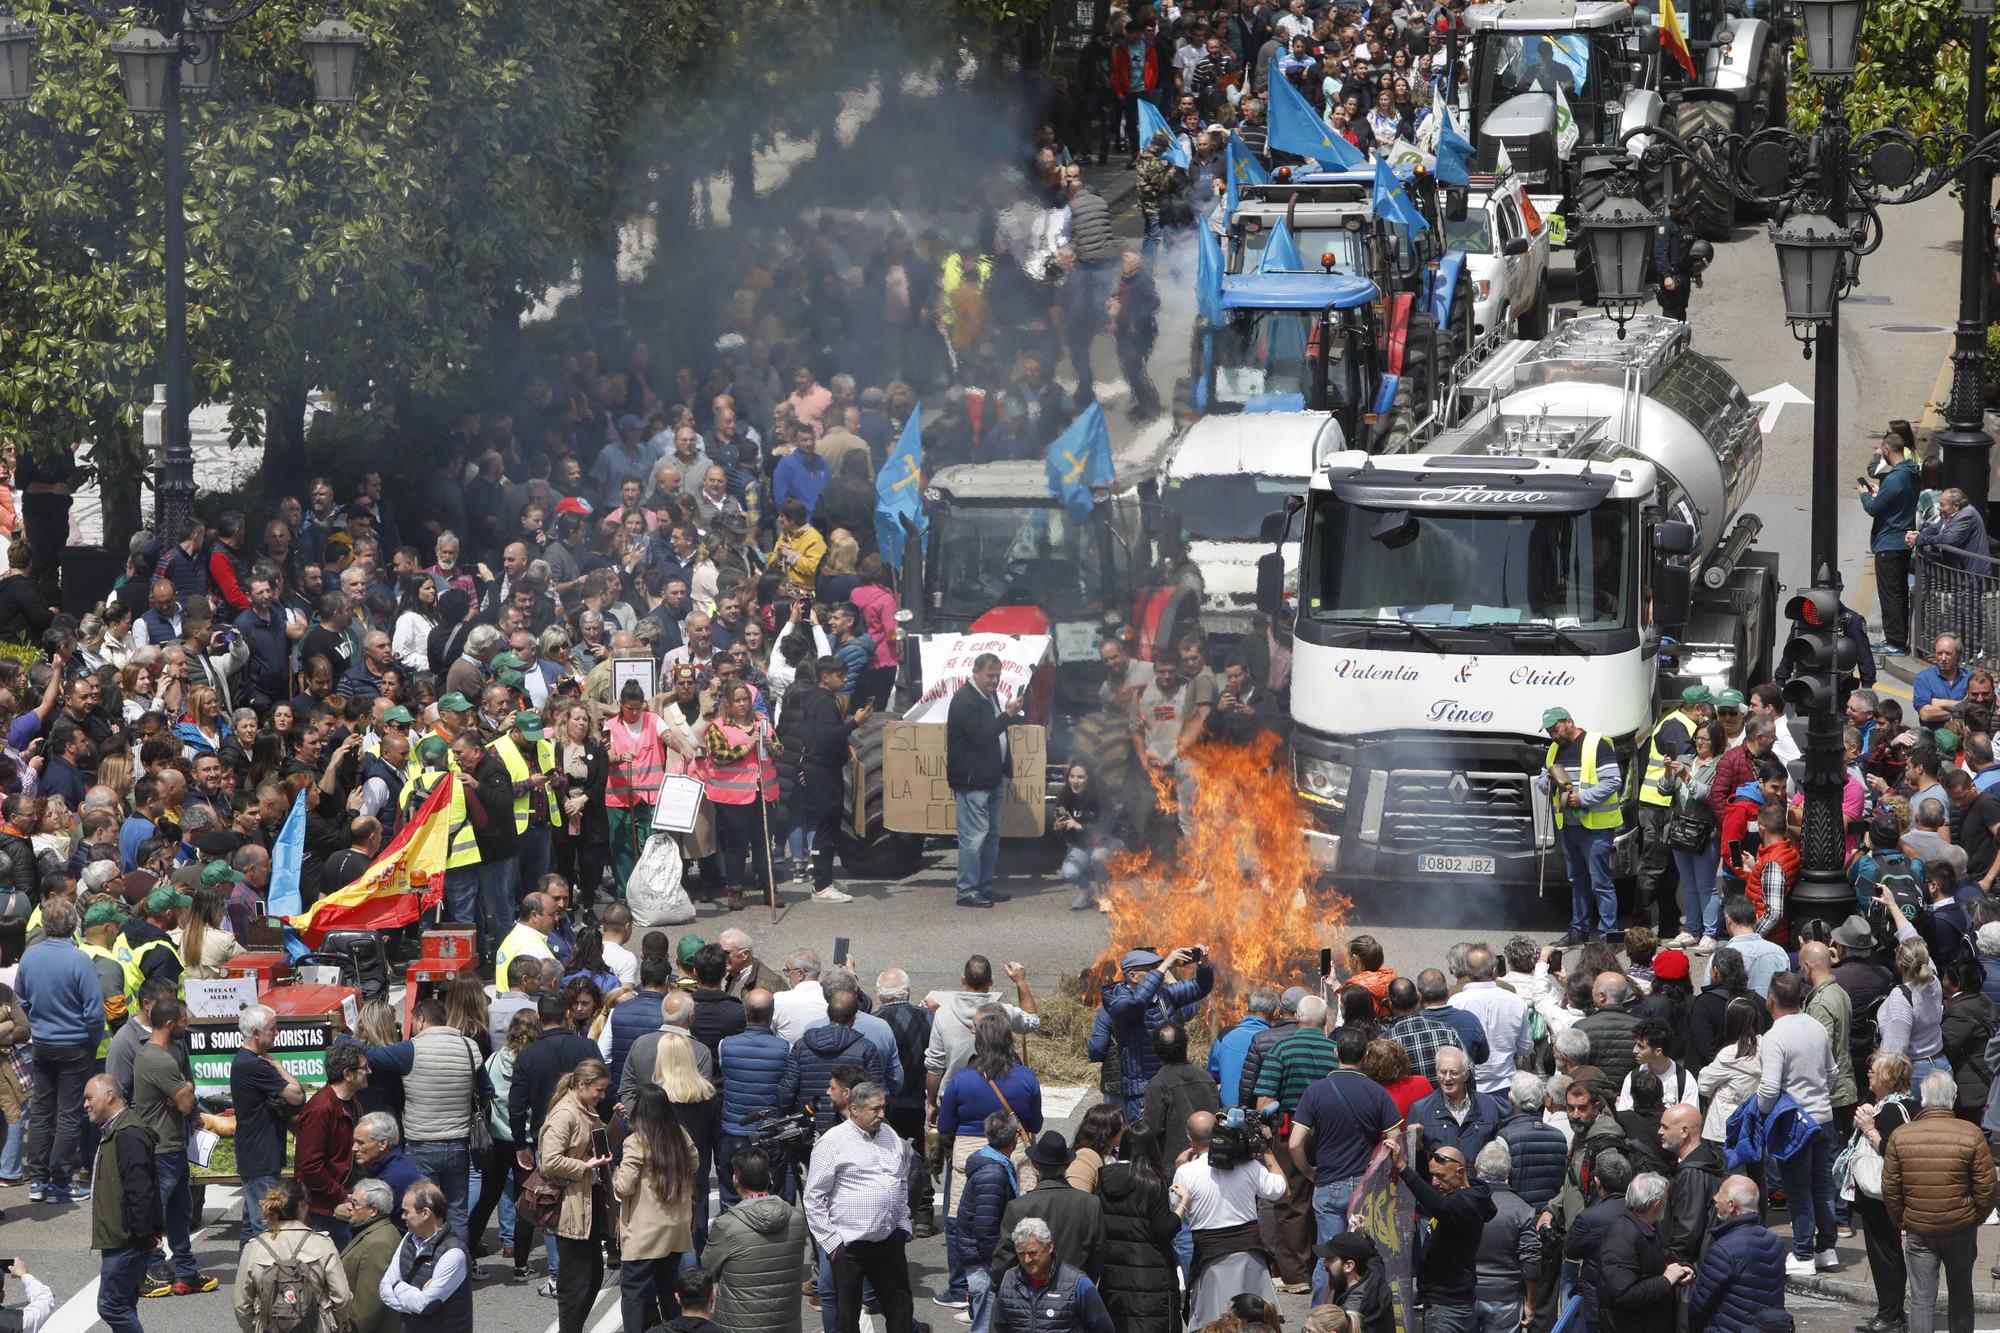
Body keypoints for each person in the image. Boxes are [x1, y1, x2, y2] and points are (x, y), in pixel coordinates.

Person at [1288, 1027, 1402, 1302]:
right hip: (1367, 1188)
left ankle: (1321, 1318)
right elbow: (1395, 1139)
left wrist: (1308, 1172)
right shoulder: (1377, 1093)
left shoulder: (1315, 1092)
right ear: (1365, 1055)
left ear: (1335, 1053)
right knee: (1366, 1257)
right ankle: (1360, 1314)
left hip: (1328, 1184)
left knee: (1328, 1256)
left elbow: (1294, 1143)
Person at [1883, 1069, 1998, 1333]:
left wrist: (1903, 1219)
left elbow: (1891, 1188)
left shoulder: (1902, 1136)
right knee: (1961, 1294)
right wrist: (1974, 1216)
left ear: (1922, 1097)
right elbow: (1987, 1186)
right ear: (1954, 1097)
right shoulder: (1971, 1134)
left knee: (1922, 1299)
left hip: (1919, 1229)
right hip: (1960, 1227)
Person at [803, 1080, 917, 1333]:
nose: (882, 1115)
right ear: (854, 1109)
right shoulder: (832, 1142)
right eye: (875, 1109)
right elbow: (813, 1197)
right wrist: (832, 1245)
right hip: (849, 1247)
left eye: (883, 1108)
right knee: (847, 1318)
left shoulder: (890, 1136)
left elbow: (900, 1183)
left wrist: (903, 1225)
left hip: (889, 1243)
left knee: (901, 1311)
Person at [15, 896, 104, 1206]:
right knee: (68, 1114)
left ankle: (38, 1180)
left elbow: (21, 1000)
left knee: (41, 1111)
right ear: (73, 925)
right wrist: (92, 1040)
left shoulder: (29, 956)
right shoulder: (79, 960)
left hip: (41, 1043)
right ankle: (61, 1182)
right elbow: (94, 1010)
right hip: (76, 1044)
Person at [1756, 971, 1839, 1278]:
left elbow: (1768, 1088)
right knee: (1822, 1185)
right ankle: (1825, 1248)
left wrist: (1765, 1113)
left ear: (1771, 999)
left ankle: (1804, 1252)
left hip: (1795, 1123)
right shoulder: (1816, 1027)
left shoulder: (1775, 1036)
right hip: (1823, 1118)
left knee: (1798, 1189)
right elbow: (1832, 1072)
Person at [1170, 1109, 1286, 1326]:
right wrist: (1267, 1151)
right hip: (1251, 1257)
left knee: (1216, 1324)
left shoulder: (1186, 1172)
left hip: (1211, 1261)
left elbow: (1176, 1208)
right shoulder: (1248, 1164)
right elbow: (1279, 1189)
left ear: (1190, 1139)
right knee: (1257, 1322)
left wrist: (1179, 1168)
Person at [538, 1057, 616, 1333]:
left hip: (588, 1200)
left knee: (593, 1276)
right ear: (581, 1085)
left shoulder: (584, 1106)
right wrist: (585, 1166)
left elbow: (600, 1139)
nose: (602, 1095)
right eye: (599, 1089)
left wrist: (617, 1119)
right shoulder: (565, 1114)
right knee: (576, 1282)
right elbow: (549, 1161)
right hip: (570, 1205)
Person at [1092, 946, 1215, 1120]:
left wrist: (1204, 965)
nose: (1158, 972)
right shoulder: (1117, 1000)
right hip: (1141, 1090)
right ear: (1132, 976)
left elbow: (1201, 987)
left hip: (1171, 1082)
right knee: (1144, 1141)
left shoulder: (1164, 995)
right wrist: (1164, 966)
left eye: (1157, 967)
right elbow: (1135, 1004)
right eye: (1151, 969)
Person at [614, 1085, 699, 1333]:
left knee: (633, 1292)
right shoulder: (680, 1135)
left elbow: (624, 1187)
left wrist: (616, 1171)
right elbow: (695, 1163)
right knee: (667, 1287)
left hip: (645, 1233)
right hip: (676, 1228)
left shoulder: (636, 1141)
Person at [946, 652, 1024, 908]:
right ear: (976, 672)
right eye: (990, 676)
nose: (995, 681)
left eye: (998, 676)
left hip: (990, 779)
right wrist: (1008, 716)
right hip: (972, 782)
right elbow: (982, 736)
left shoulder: (988, 697)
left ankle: (983, 886)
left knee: (990, 836)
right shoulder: (965, 700)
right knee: (974, 838)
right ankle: (966, 890)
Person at [702, 1144, 808, 1333]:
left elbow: (708, 1269)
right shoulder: (797, 1219)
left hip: (738, 1326)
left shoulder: (727, 1225)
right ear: (769, 1177)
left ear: (735, 1180)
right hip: (786, 1323)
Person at [1540, 707, 1621, 944]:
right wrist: (1548, 785)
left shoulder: (1597, 744)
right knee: (1577, 880)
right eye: (1549, 732)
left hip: (1596, 828)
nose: (1553, 736)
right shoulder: (1554, 749)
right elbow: (1544, 784)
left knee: (1600, 882)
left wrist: (1583, 798)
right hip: (1569, 825)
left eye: (1556, 729)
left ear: (1569, 722)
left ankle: (1609, 935)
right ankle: (1579, 930)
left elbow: (1613, 781)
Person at [86, 1072, 159, 1333]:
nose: (86, 1104)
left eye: (89, 1097)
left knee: (111, 1304)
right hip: (120, 1237)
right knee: (124, 1302)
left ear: (109, 1095)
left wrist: (145, 1236)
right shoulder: (116, 1131)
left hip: (126, 1239)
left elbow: (140, 1191)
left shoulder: (128, 1134)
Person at [1849, 1051, 1916, 1333]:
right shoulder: (1884, 1104)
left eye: (1874, 1072)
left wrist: (1868, 1130)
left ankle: (1890, 1316)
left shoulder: (1893, 1110)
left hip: (1883, 1195)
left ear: (1887, 1079)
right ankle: (1892, 1313)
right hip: (1878, 1196)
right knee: (1885, 1252)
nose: (1869, 1075)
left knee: (1885, 1253)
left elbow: (1894, 1151)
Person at [232, 1177, 352, 1333]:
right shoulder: (322, 1243)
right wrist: (339, 1324)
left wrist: (253, 1328)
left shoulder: (254, 1247)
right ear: (303, 1206)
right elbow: (342, 1297)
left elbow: (241, 1304)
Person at [233, 1003, 308, 1243]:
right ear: (255, 1033)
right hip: (259, 1157)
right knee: (264, 1225)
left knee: (250, 1224)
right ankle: (263, 1276)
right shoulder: (254, 1065)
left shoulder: (248, 1061)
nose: (276, 1032)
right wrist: (280, 1067)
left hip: (257, 1154)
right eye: (272, 1028)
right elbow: (297, 1095)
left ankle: (245, 1275)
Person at [1686, 1175, 1787, 1333]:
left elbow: (1700, 1305)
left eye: (1720, 1193)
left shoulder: (1722, 1250)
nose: (1715, 1198)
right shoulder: (1775, 1241)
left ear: (1732, 1205)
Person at [293, 1039, 368, 1245]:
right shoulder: (320, 1109)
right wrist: (340, 1197)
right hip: (322, 1212)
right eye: (364, 1068)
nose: (368, 1071)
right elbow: (309, 1167)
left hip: (344, 1203)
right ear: (348, 1074)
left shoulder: (353, 1104)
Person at [952, 1111, 1021, 1333]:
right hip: (984, 1262)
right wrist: (999, 1264)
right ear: (1013, 1139)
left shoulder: (993, 1163)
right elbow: (985, 1229)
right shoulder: (993, 1173)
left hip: (982, 1257)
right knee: (985, 1325)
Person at [376, 1180, 471, 1333]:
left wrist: (397, 1285)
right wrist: (415, 1297)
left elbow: (426, 1305)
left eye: (406, 1211)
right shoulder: (408, 1239)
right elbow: (384, 1290)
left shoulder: (453, 1254)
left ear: (425, 1213)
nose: (402, 1217)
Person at [1859, 422, 1921, 655]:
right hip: (1902, 541)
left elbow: (1874, 509)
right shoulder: (1910, 473)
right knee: (1898, 592)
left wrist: (1866, 496)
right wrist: (1880, 493)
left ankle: (1894, 642)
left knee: (1890, 594)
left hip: (1889, 542)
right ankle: (1897, 639)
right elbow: (1893, 500)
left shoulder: (1895, 478)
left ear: (1886, 450)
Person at [991, 1218, 1115, 1333]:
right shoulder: (1008, 1281)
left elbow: (1104, 1328)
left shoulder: (1078, 1284)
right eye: (1021, 1254)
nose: (1027, 1259)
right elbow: (998, 1327)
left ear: (1049, 1247)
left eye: (1033, 1253)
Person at [1471, 1140, 1541, 1333]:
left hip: (1464, 1295)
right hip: (1505, 1297)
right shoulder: (1522, 1208)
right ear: (1510, 1171)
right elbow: (1532, 1261)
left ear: (1477, 1169)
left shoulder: (1462, 1202)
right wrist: (1531, 1303)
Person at [335, 1180, 401, 1333]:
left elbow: (368, 1307)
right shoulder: (372, 1232)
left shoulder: (379, 1243)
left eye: (355, 1203)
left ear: (373, 1210)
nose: (350, 1207)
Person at [1317, 1232, 1395, 1333]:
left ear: (1348, 1266)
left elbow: (1324, 1328)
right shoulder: (1374, 1271)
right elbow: (1374, 1256)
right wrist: (1360, 1232)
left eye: (1330, 1259)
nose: (1325, 1263)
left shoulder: (1354, 1308)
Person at [1652, 195, 1700, 320]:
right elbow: (1660, 253)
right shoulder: (1666, 225)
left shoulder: (1689, 224)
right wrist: (1667, 276)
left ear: (1685, 208)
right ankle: (1671, 339)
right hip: (1671, 274)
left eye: (1677, 208)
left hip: (1684, 275)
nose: (1673, 210)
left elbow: (1694, 252)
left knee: (1681, 310)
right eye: (1671, 208)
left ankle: (1681, 339)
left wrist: (1698, 275)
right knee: (1670, 314)